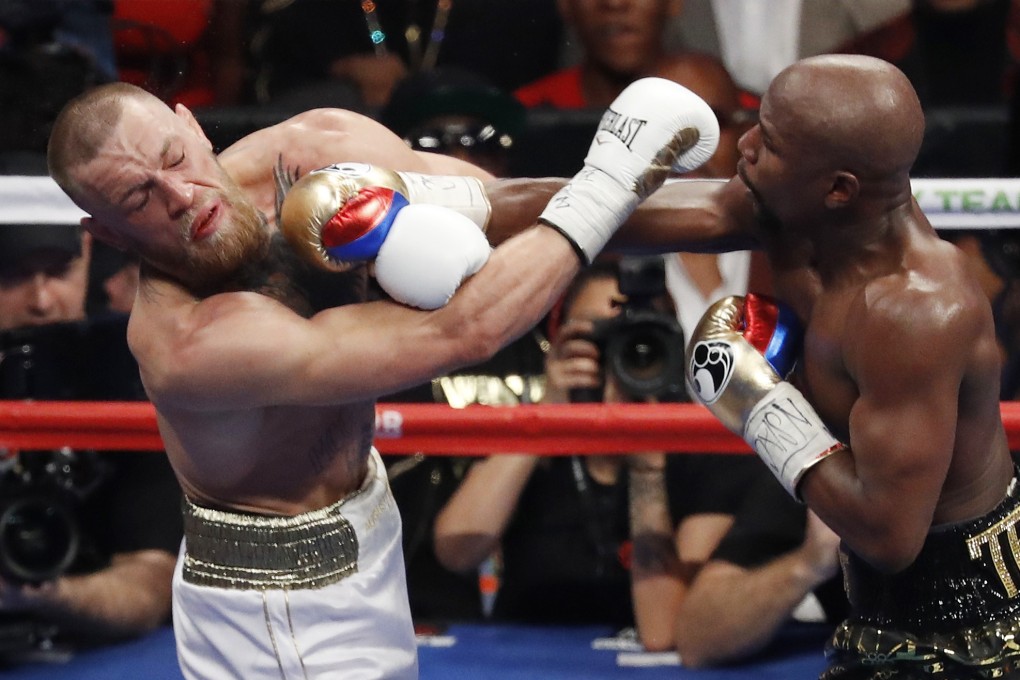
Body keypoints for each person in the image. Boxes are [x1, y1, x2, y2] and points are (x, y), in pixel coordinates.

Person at [45, 75, 718, 678]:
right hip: (276, 612)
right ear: (104, 234)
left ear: (192, 126)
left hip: (362, 540)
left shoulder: (314, 149)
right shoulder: (187, 341)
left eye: (173, 158)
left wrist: (736, 217)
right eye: (139, 197)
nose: (181, 196)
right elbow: (463, 332)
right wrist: (617, 172)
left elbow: (498, 205)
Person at [653, 54, 1018, 678]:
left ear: (838, 187)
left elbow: (888, 536)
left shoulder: (914, 309)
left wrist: (760, 405)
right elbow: (630, 218)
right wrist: (455, 200)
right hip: (876, 618)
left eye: (769, 142)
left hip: (974, 639)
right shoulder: (797, 214)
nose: (743, 146)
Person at [433, 258, 763, 638]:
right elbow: (455, 552)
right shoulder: (535, 439)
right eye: (597, 335)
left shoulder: (701, 445)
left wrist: (647, 468)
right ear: (559, 343)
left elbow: (678, 623)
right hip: (528, 660)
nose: (618, 352)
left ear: (670, 343)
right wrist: (547, 415)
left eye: (638, 338)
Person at [0, 219, 182, 652]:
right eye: (12, 274)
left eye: (60, 272)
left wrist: (32, 592)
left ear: (86, 253)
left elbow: (151, 581)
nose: (42, 301)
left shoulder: (130, 381)